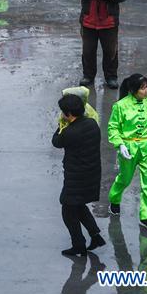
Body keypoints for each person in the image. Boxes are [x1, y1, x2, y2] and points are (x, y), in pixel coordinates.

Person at [107, 74, 147, 233]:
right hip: (129, 149)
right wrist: (120, 145)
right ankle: (114, 198)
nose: (146, 91)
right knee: (125, 179)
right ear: (133, 90)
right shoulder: (120, 106)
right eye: (142, 88)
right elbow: (113, 128)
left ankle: (146, 216)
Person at [70, 0, 130, 89]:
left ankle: (111, 77)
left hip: (109, 22)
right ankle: (88, 76)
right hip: (88, 21)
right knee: (88, 51)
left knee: (111, 52)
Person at [52, 93, 105, 256]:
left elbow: (56, 142)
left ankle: (78, 244)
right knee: (78, 205)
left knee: (68, 209)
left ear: (68, 113)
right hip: (92, 174)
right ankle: (96, 236)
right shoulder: (92, 124)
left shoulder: (70, 132)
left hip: (76, 177)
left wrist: (60, 125)